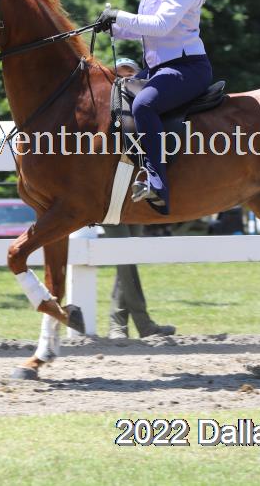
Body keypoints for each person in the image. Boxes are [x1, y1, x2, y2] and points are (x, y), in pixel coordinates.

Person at [96, 0, 212, 215]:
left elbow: (160, 25)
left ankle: (158, 184)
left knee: (144, 105)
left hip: (187, 68)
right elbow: (144, 29)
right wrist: (113, 28)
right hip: (160, 68)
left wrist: (119, 15)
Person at [105, 57, 176, 339]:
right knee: (125, 259)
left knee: (128, 260)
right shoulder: (109, 115)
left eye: (130, 74)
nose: (125, 79)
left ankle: (119, 324)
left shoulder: (144, 116)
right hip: (109, 196)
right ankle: (140, 325)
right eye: (119, 74)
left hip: (133, 195)